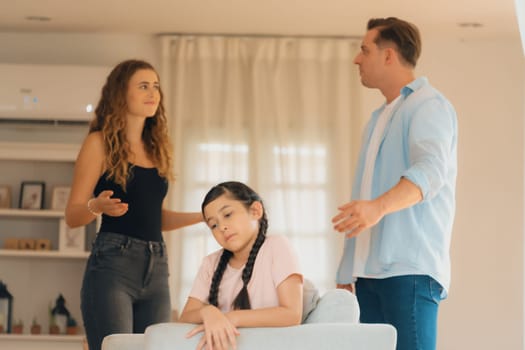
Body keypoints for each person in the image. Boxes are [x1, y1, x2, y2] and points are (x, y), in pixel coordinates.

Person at [332, 17, 458, 350]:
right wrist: (348, 270)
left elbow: (431, 171)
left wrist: (377, 207)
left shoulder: (428, 105)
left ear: (389, 55)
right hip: (369, 277)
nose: (357, 59)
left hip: (409, 272)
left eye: (364, 50)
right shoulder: (378, 119)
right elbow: (365, 201)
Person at [65, 59, 203, 350]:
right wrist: (97, 206)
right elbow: (72, 215)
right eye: (143, 86)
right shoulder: (98, 143)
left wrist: (202, 216)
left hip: (157, 265)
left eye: (155, 86)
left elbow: (154, 217)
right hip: (113, 265)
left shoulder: (157, 149)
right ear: (121, 94)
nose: (153, 93)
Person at [179, 181, 304, 350]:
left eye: (228, 214)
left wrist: (230, 318)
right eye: (213, 225)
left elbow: (292, 314)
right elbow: (185, 317)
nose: (222, 227)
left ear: (255, 211)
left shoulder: (277, 246)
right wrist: (207, 312)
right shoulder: (210, 263)